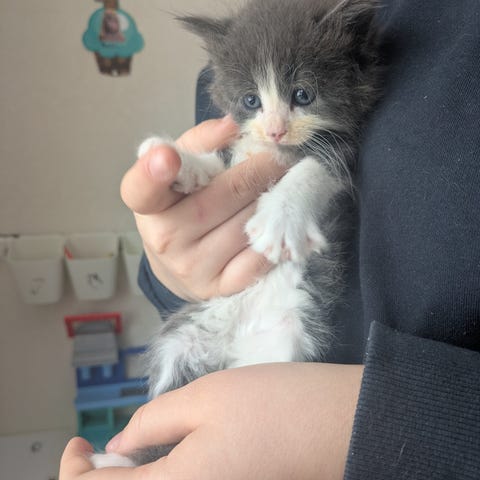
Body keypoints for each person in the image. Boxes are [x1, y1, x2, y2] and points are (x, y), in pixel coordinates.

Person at [60, 1, 480, 478]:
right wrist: (170, 265)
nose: (275, 127)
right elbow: (214, 194)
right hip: (227, 333)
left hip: (365, 416)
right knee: (176, 352)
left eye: (301, 95)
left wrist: (349, 428)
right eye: (252, 103)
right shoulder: (235, 60)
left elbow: (325, 170)